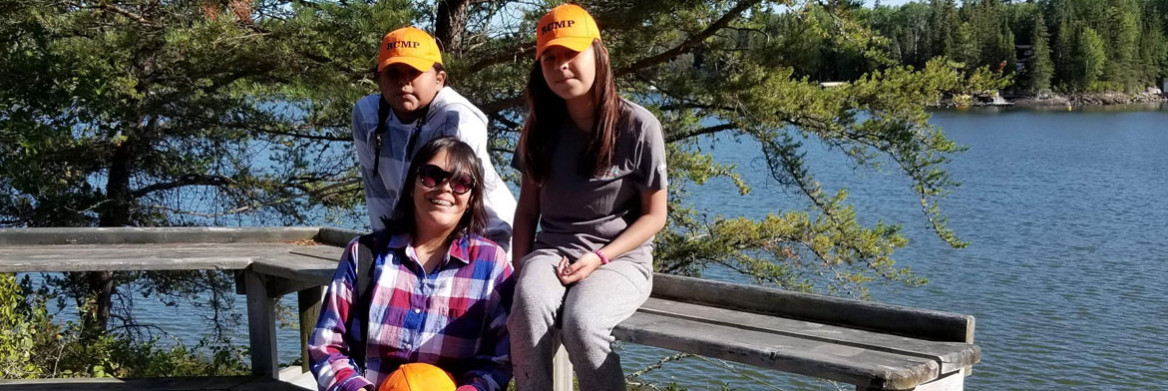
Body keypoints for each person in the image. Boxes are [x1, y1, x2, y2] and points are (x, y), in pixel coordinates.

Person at [507, 4, 669, 391]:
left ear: (599, 55)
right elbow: (527, 211)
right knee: (526, 306)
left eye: (571, 54)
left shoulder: (638, 126)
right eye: (550, 57)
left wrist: (598, 258)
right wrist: (519, 271)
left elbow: (654, 216)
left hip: (619, 259)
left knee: (583, 323)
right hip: (553, 253)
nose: (561, 66)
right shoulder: (539, 129)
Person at [310, 137, 513, 391]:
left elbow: (501, 360)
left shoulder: (491, 265)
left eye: (461, 183)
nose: (445, 188)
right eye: (432, 175)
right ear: (411, 185)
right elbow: (326, 345)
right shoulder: (363, 255)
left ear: (472, 198)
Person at [353, 26, 516, 249]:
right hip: (421, 239)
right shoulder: (367, 115)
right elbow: (377, 193)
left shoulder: (458, 120)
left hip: (488, 236)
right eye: (393, 73)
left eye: (414, 72)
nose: (404, 82)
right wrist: (384, 246)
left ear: (439, 79)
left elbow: (454, 201)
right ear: (378, 78)